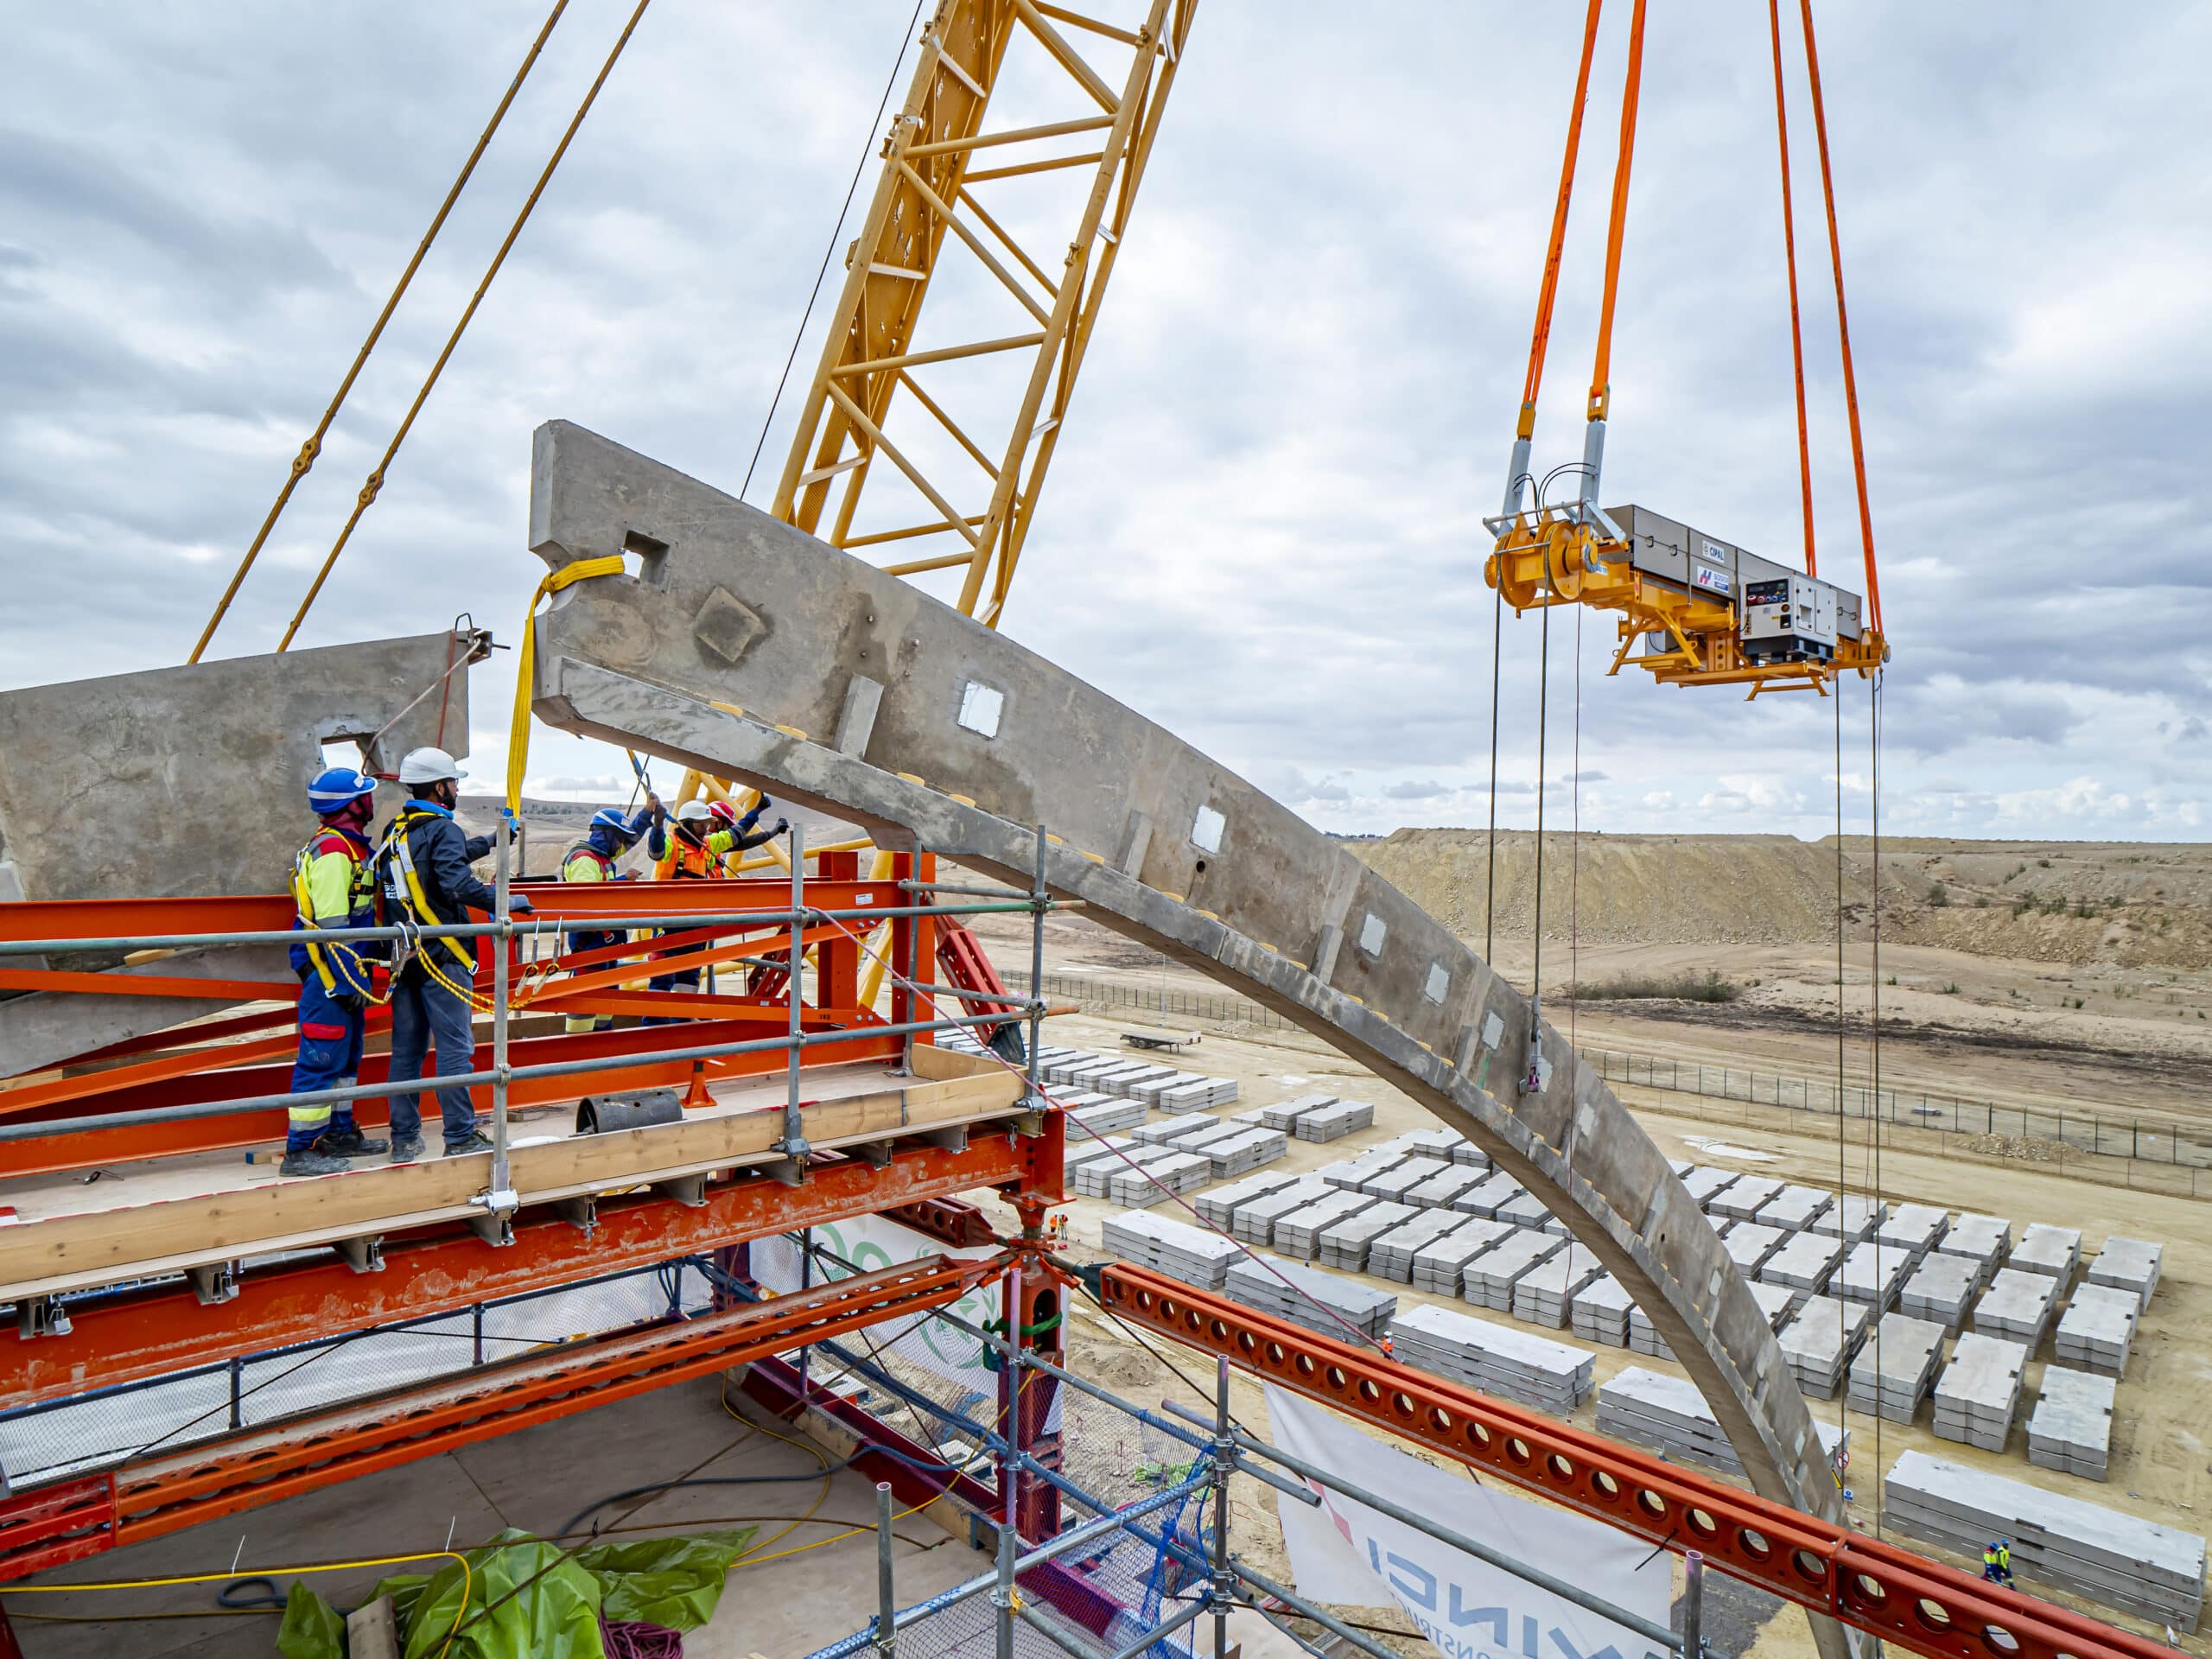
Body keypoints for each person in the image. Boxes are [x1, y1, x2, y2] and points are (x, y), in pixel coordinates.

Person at [375, 746, 532, 1160]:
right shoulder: (441, 829)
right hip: (443, 959)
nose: (457, 789)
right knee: (454, 1050)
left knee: (407, 1051)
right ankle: (459, 1136)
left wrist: (493, 841)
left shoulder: (398, 830)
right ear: (440, 786)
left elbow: (439, 863)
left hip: (407, 956)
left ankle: (404, 1138)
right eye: (454, 783)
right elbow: (455, 884)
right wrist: (505, 903)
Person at [282, 766, 391, 1175]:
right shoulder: (332, 853)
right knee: (320, 1060)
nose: (372, 801)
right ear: (353, 804)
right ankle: (300, 1150)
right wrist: (346, 980)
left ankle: (339, 1134)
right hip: (331, 976)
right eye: (366, 795)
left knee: (345, 1063)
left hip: (347, 973)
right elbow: (333, 929)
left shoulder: (349, 848)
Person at [644, 797, 788, 1022]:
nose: (705, 829)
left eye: (707, 824)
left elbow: (737, 835)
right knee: (662, 978)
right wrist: (658, 825)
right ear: (687, 823)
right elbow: (655, 852)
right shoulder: (672, 843)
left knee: (689, 977)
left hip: (697, 923)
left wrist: (757, 810)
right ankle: (653, 1031)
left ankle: (680, 1029)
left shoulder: (707, 845)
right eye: (701, 824)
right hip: (670, 923)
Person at [558, 798, 666, 1033]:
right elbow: (585, 905)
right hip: (590, 950)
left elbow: (631, 837)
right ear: (606, 835)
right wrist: (622, 881)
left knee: (603, 1013)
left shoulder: (601, 858)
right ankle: (578, 1058)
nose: (621, 845)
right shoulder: (585, 861)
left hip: (604, 949)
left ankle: (600, 1053)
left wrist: (647, 813)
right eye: (618, 838)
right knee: (584, 1013)